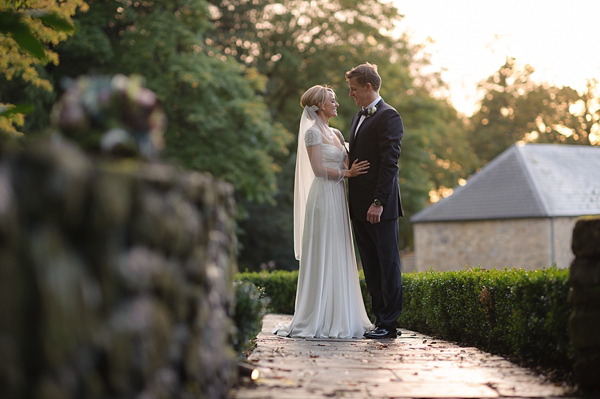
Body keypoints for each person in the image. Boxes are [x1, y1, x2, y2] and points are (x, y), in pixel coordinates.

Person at [274, 85, 373, 339]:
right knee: (323, 249)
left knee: (339, 249)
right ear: (319, 105)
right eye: (332, 100)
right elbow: (318, 169)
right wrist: (347, 174)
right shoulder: (312, 134)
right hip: (323, 196)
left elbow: (350, 159)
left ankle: (342, 313)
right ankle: (317, 315)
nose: (337, 103)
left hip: (339, 197)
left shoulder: (338, 134)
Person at [346, 63, 404, 339]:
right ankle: (378, 317)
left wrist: (378, 202)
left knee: (387, 263)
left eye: (354, 89)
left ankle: (389, 324)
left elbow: (390, 164)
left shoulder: (389, 116)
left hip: (379, 207)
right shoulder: (358, 117)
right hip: (357, 206)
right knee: (370, 264)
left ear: (368, 87)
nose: (350, 94)